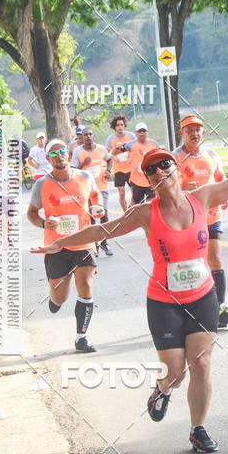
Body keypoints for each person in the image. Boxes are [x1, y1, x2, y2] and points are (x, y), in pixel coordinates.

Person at [32, 138, 228, 452]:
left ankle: (197, 429)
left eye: (164, 164)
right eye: (151, 169)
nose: (159, 170)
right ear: (149, 179)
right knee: (174, 373)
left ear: (176, 169)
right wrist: (60, 243)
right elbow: (104, 230)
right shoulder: (145, 212)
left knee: (200, 364)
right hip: (164, 301)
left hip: (202, 296)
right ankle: (162, 390)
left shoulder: (204, 197)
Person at [27, 138, 103, 352]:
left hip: (83, 241)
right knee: (60, 297)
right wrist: (44, 223)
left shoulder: (85, 177)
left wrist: (98, 207)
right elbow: (31, 213)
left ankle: (81, 338)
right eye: (53, 153)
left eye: (61, 151)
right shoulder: (42, 184)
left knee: (86, 288)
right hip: (56, 246)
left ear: (68, 154)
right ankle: (55, 300)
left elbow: (96, 196)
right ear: (48, 159)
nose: (59, 155)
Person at [173, 114, 228, 329]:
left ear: (203, 132)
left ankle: (221, 306)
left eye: (197, 130)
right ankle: (190, 307)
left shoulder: (212, 155)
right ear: (182, 133)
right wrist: (181, 190)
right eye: (189, 130)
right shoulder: (175, 157)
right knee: (193, 264)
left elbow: (221, 178)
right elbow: (163, 187)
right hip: (187, 219)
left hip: (212, 215)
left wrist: (224, 195)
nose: (194, 133)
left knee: (215, 259)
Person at [71, 126, 114, 256]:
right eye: (85, 135)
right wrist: (83, 164)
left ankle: (105, 243)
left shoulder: (101, 149)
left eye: (90, 134)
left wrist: (108, 170)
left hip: (101, 187)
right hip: (86, 189)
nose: (88, 136)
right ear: (82, 137)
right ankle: (94, 245)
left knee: (104, 214)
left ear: (93, 136)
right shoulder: (78, 151)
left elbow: (110, 159)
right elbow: (73, 170)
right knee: (91, 217)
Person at [106, 114, 134, 212]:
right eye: (118, 125)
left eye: (122, 124)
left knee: (134, 192)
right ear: (114, 127)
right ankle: (125, 213)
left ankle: (132, 207)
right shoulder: (110, 139)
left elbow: (136, 148)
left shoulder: (131, 136)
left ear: (124, 125)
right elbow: (107, 154)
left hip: (130, 168)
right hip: (118, 169)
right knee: (122, 193)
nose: (120, 127)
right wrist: (113, 157)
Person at [126, 122, 159, 205]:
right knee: (137, 204)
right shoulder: (130, 144)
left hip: (150, 179)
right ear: (136, 133)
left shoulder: (153, 144)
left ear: (147, 132)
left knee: (152, 202)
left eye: (144, 131)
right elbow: (116, 152)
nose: (142, 133)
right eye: (140, 131)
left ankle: (151, 217)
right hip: (136, 180)